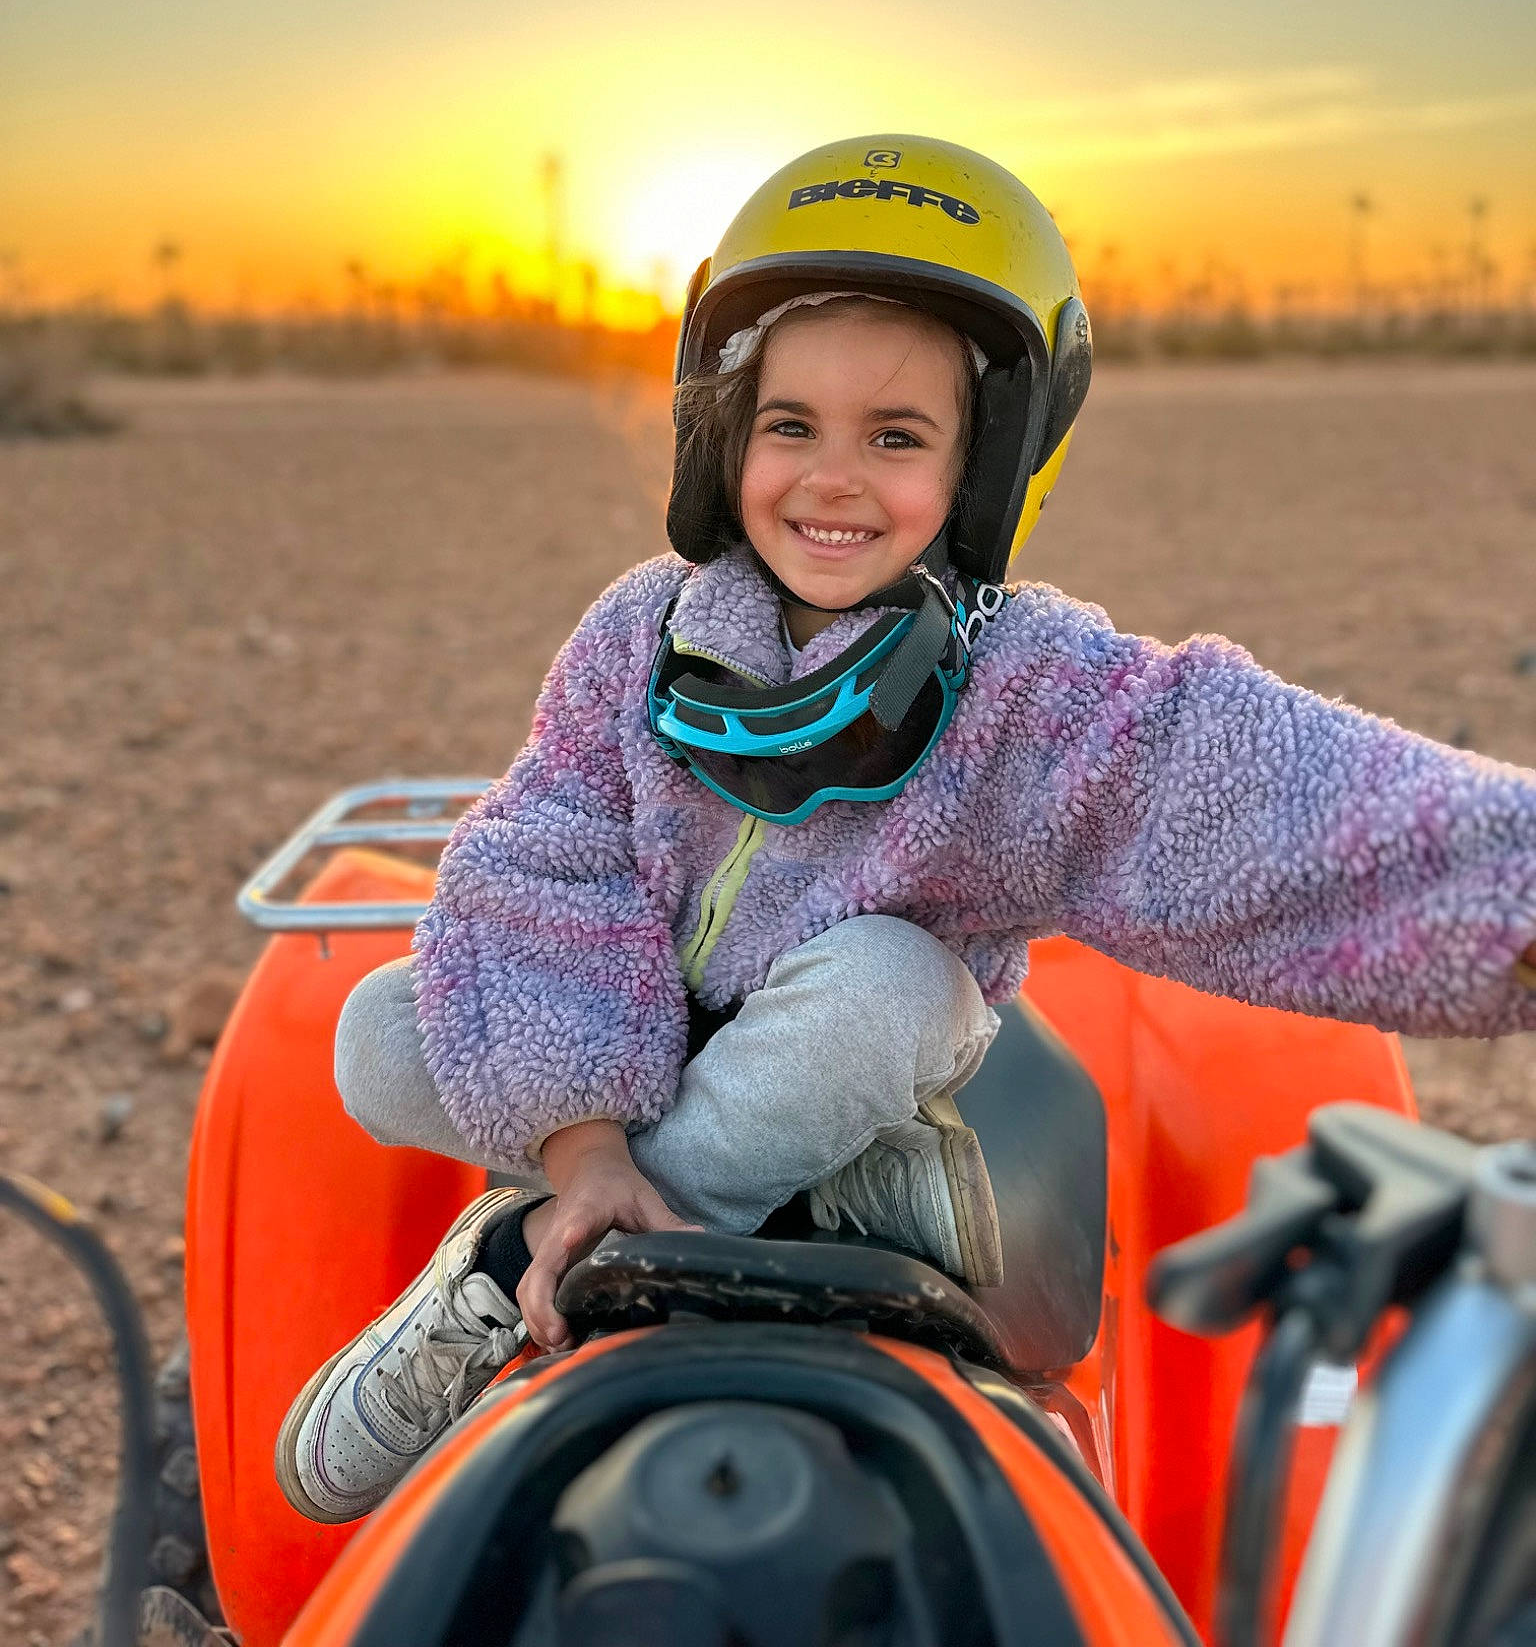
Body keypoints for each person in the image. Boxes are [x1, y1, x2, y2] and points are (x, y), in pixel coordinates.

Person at [276, 134, 1536, 1525]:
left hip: (870, 1058)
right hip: (649, 1049)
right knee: (382, 1033)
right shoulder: (640, 635)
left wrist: (1514, 893)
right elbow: (540, 866)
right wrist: (579, 1144)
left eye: (896, 438)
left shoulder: (1023, 686)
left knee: (888, 981)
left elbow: (1251, 791)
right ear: (722, 434)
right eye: (790, 426)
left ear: (990, 460)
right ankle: (624, 1200)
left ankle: (542, 1266)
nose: (831, 480)